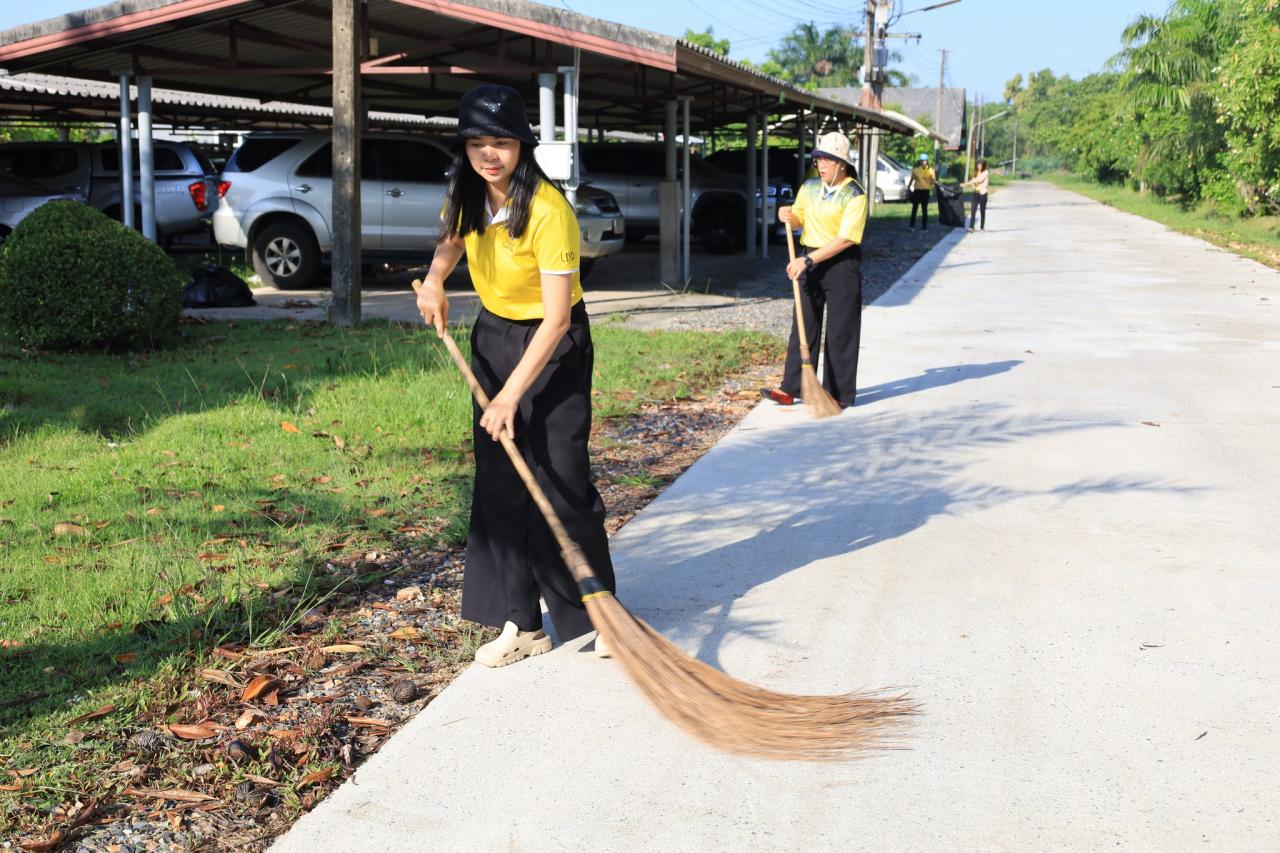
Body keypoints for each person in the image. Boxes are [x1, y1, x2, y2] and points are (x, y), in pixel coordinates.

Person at [415, 84, 614, 667]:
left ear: (522, 146)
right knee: (501, 482)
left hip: (553, 347)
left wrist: (508, 396)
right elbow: (452, 240)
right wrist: (434, 281)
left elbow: (556, 320)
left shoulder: (550, 211)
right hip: (493, 335)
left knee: (560, 478)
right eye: (476, 141)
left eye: (501, 142)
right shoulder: (466, 191)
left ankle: (602, 615)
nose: (488, 154)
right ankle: (521, 623)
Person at [761, 131, 868, 409]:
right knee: (803, 323)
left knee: (840, 329)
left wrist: (807, 261)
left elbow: (846, 239)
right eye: (819, 159)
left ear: (842, 163)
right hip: (809, 257)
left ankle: (838, 393)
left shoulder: (855, 194)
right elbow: (799, 219)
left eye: (828, 160)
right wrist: (788, 216)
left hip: (841, 262)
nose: (821, 164)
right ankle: (792, 387)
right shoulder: (809, 186)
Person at [907, 152, 937, 230]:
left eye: (925, 160)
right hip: (917, 190)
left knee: (924, 209)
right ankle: (912, 225)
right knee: (914, 208)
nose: (924, 162)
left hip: (926, 191)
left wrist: (934, 186)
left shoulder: (931, 170)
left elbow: (933, 181)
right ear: (920, 161)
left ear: (927, 161)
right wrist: (908, 187)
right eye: (922, 160)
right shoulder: (915, 170)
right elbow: (912, 179)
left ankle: (924, 226)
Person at [962, 158, 989, 231]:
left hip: (983, 193)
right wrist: (971, 185)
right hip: (975, 193)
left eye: (980, 165)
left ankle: (982, 227)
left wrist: (966, 184)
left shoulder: (985, 172)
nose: (978, 166)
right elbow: (973, 180)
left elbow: (979, 180)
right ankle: (971, 227)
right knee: (973, 210)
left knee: (982, 211)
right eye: (978, 165)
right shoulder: (976, 172)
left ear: (983, 166)